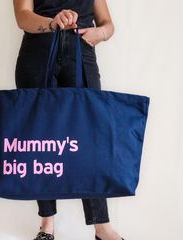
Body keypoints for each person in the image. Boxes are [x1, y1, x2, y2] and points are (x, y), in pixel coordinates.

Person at [13, 1, 124, 240]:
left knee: (90, 140)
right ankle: (47, 223)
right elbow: (23, 16)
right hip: (38, 54)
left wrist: (101, 33)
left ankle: (102, 226)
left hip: (81, 53)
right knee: (40, 142)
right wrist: (52, 23)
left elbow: (107, 23)